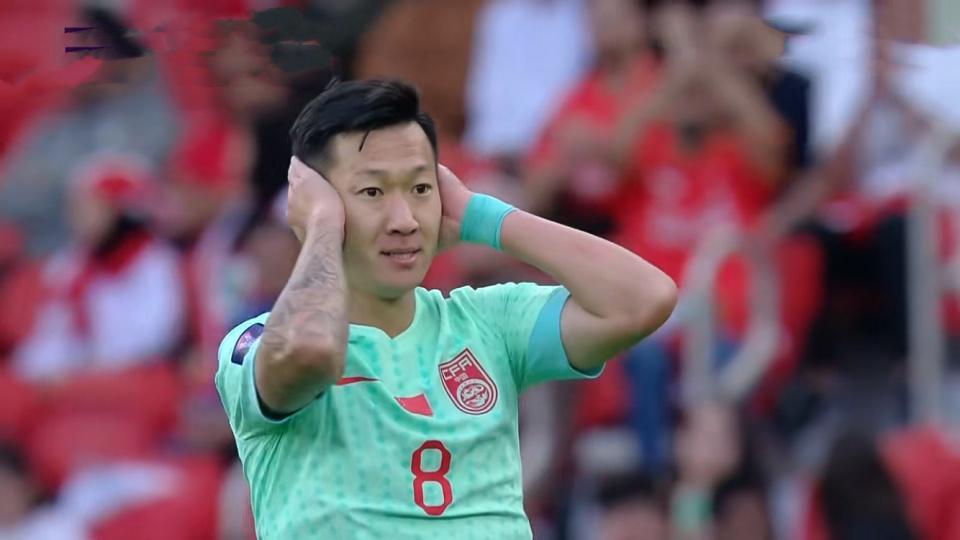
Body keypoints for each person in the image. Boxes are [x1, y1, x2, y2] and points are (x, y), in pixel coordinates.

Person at [214, 79, 677, 538]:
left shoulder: (488, 320)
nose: (404, 220)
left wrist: (481, 216)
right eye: (372, 192)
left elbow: (644, 300)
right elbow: (310, 352)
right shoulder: (256, 343)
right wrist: (320, 227)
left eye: (420, 189)